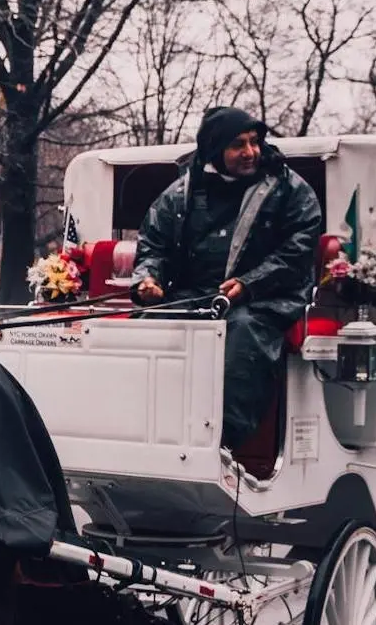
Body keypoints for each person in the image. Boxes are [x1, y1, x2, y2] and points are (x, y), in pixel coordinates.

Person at [133, 107, 322, 449]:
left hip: (267, 299)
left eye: (254, 142)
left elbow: (300, 247)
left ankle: (224, 443)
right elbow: (153, 244)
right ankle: (141, 430)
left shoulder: (290, 190)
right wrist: (147, 279)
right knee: (146, 325)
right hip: (195, 296)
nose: (250, 152)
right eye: (238, 145)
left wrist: (251, 283)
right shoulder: (180, 192)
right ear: (215, 149)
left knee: (244, 331)